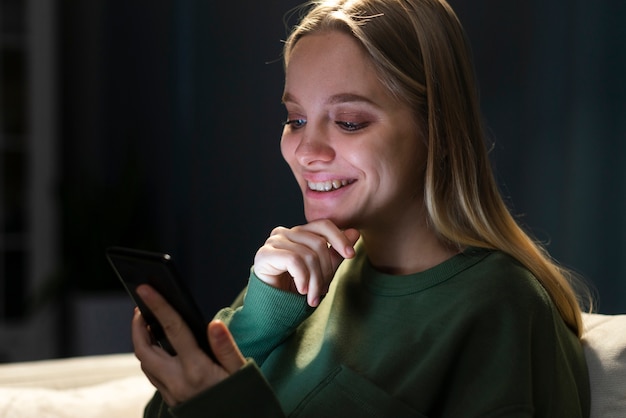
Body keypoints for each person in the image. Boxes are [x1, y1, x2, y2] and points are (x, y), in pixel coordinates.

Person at [132, 0, 591, 416]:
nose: (307, 150)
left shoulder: (498, 307)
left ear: (436, 128)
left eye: (349, 122)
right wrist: (257, 320)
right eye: (295, 119)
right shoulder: (299, 281)